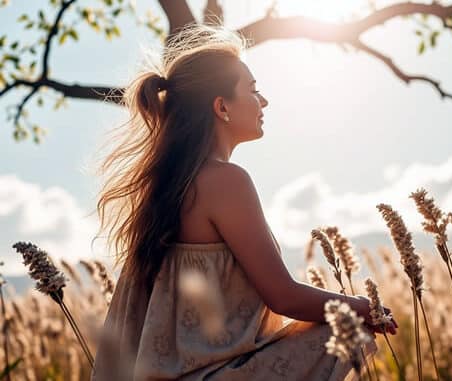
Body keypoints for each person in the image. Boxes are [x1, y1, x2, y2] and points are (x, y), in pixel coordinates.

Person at [91, 24, 397, 381]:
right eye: (253, 90)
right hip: (216, 376)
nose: (263, 101)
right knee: (344, 332)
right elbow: (284, 296)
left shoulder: (168, 187)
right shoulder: (225, 181)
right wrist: (364, 309)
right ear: (221, 106)